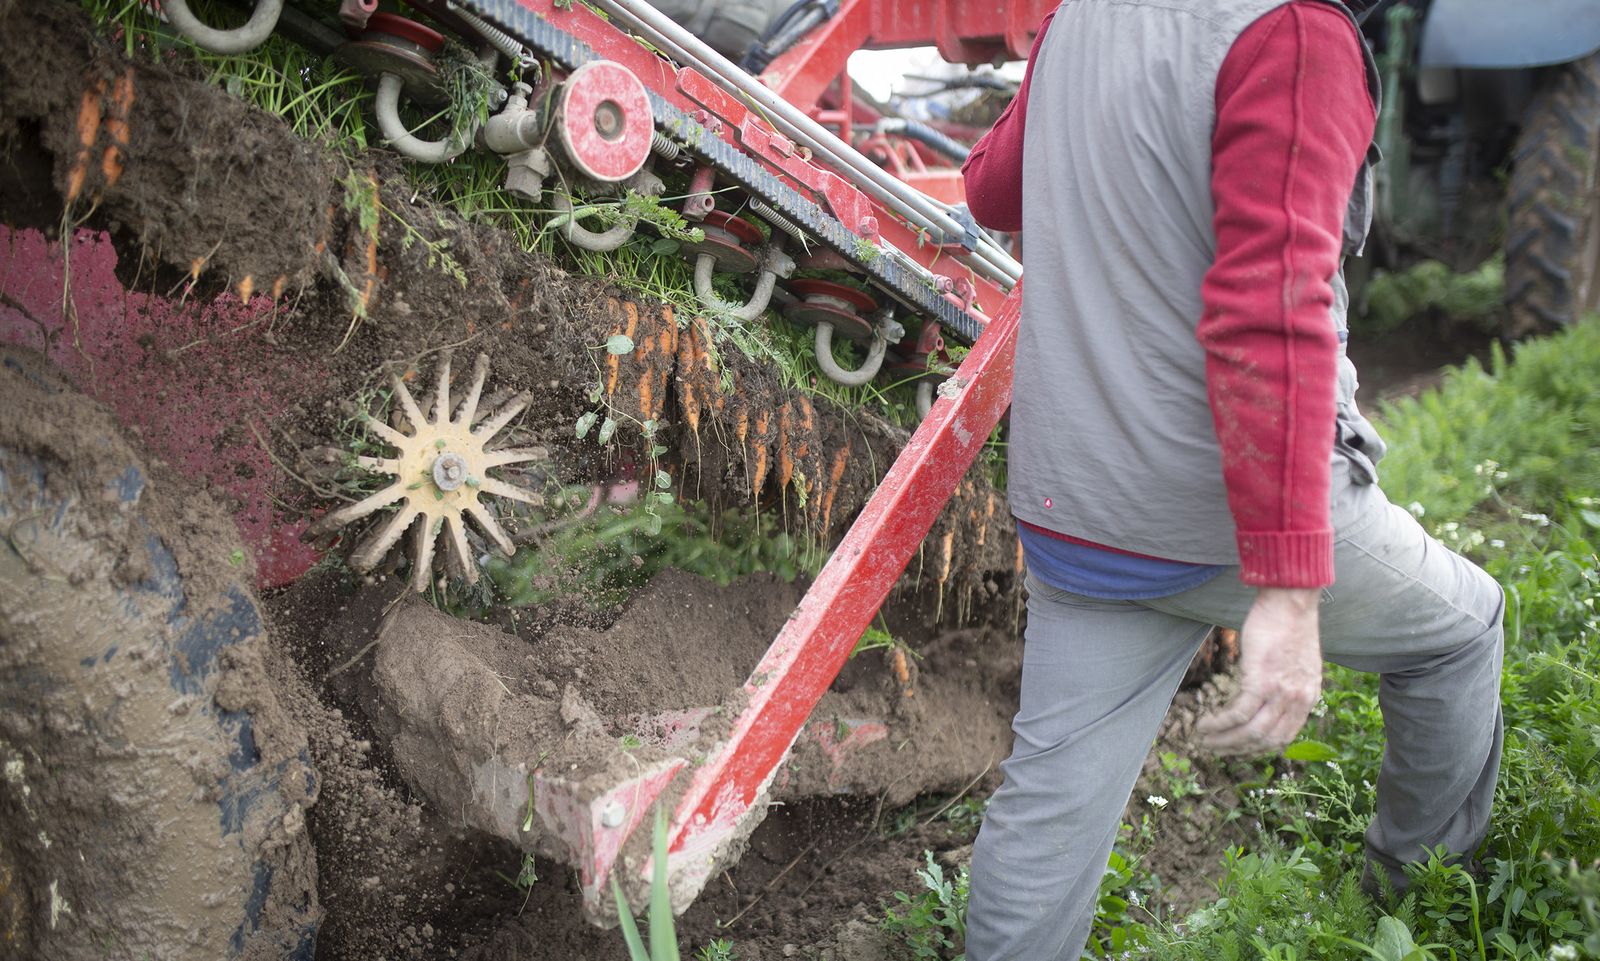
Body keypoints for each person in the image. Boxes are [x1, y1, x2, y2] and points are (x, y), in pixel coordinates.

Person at [959, 1, 1506, 958]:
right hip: (1213, 509)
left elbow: (992, 191)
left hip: (1076, 500)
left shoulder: (1082, 15)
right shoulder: (1294, 35)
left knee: (1047, 811)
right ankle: (1411, 907)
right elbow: (1271, 316)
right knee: (1461, 635)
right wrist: (1289, 591)